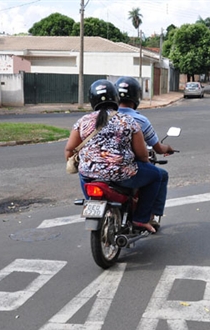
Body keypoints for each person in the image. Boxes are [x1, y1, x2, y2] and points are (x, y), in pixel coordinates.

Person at [65, 79, 162, 233]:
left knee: (83, 174)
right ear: (115, 98)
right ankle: (141, 219)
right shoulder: (127, 121)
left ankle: (93, 202)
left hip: (89, 176)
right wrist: (143, 160)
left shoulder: (82, 121)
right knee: (157, 175)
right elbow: (143, 155)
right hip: (122, 175)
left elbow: (69, 150)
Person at [115, 76, 174, 230]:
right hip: (125, 170)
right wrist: (167, 148)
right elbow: (151, 152)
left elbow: (70, 149)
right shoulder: (137, 121)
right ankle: (145, 217)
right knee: (158, 175)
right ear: (136, 97)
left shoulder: (97, 118)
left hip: (95, 171)